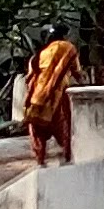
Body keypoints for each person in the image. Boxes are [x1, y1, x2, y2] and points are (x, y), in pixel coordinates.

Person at [21, 26, 83, 168]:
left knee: (38, 131)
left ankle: (40, 161)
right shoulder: (68, 48)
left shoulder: (38, 55)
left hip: (35, 99)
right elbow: (77, 72)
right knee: (64, 128)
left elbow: (29, 78)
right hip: (57, 96)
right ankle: (67, 160)